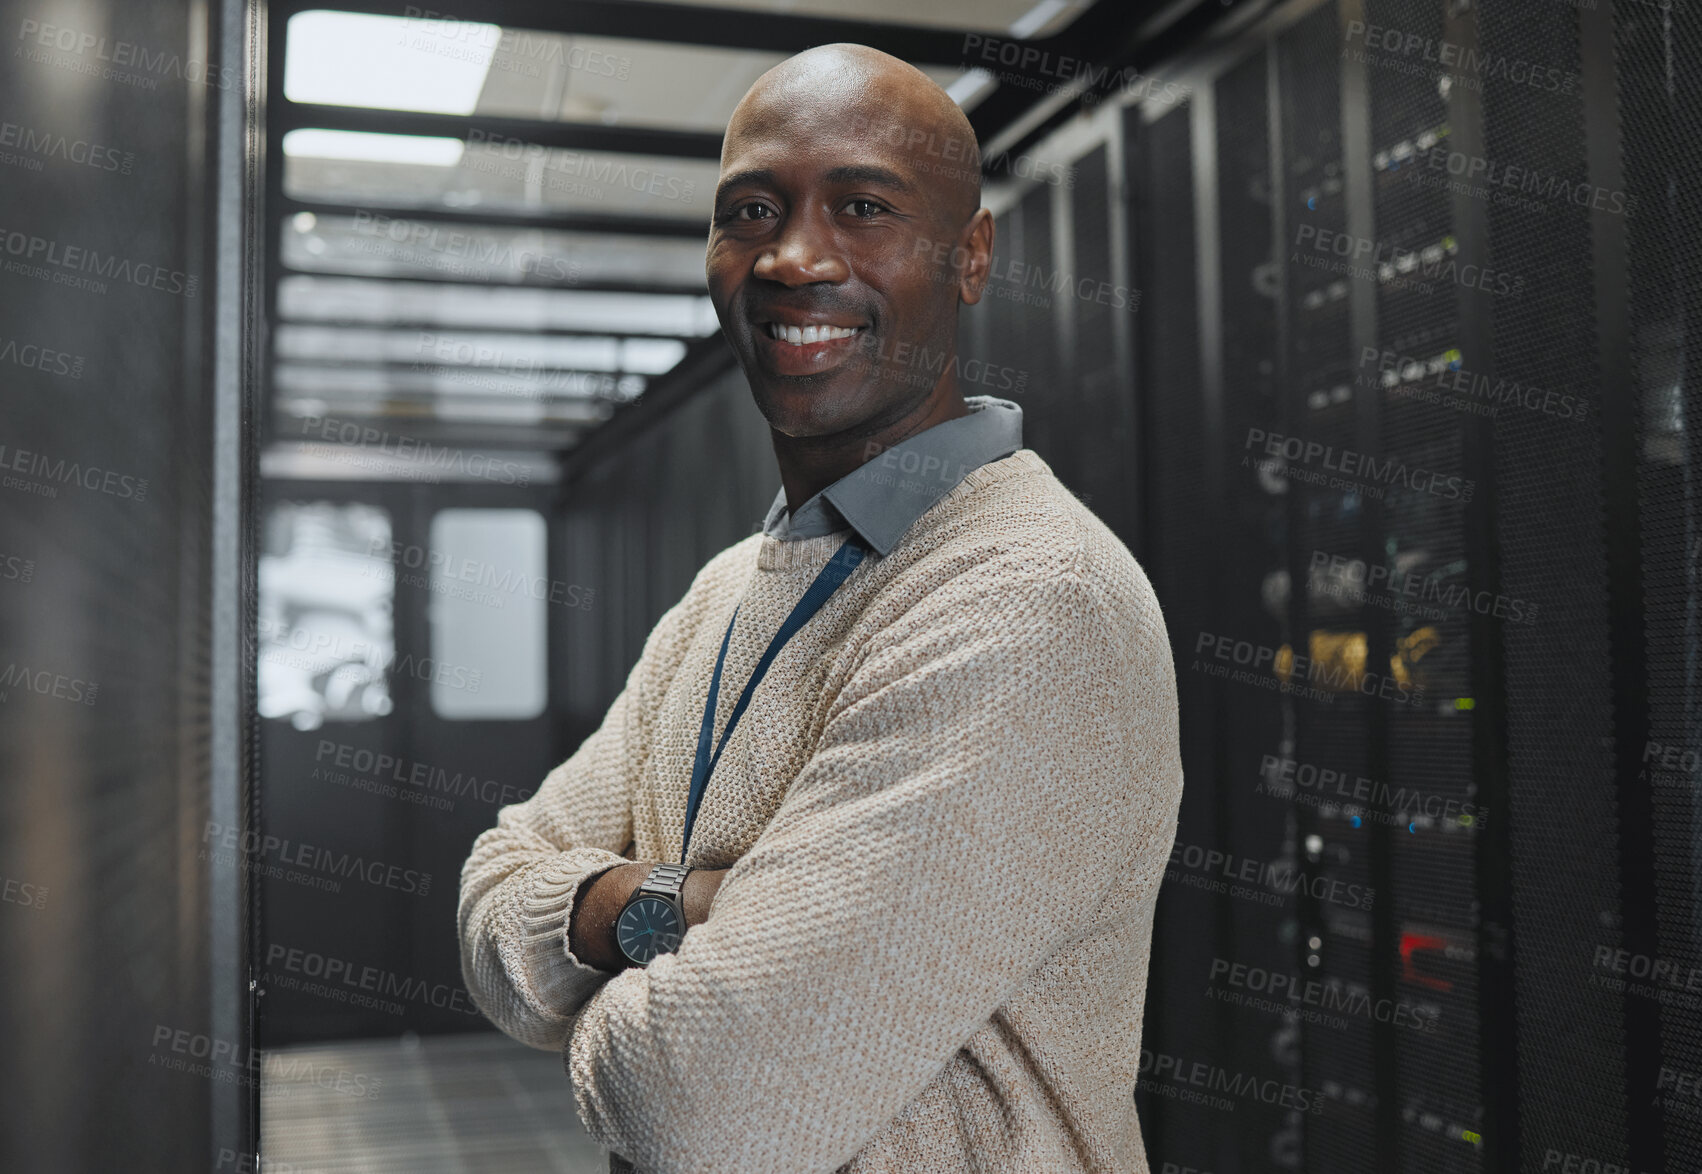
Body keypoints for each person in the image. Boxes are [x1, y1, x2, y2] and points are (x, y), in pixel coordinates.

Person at [458, 41, 1183, 1174]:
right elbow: (492, 900)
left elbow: (700, 1102)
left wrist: (601, 951)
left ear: (971, 255)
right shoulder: (728, 590)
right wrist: (677, 908)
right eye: (751, 208)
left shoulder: (1030, 600)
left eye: (862, 206)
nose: (794, 257)